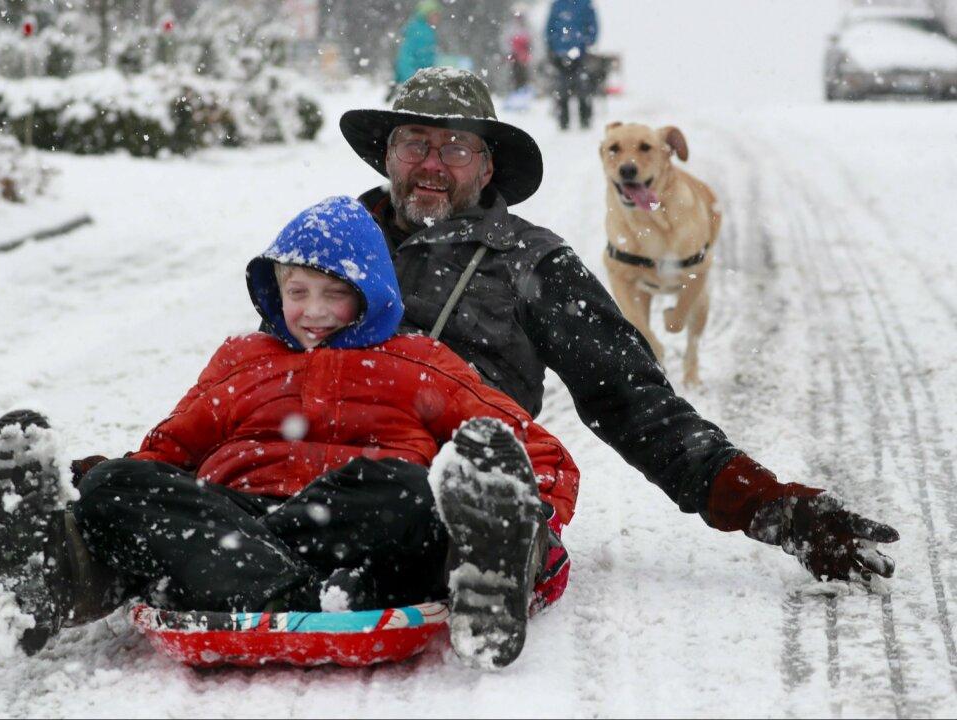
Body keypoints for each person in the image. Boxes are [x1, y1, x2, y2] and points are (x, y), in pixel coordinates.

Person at [338, 67, 900, 595]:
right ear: (387, 155)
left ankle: (496, 555)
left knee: (428, 518)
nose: (431, 164)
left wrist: (770, 506)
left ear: (487, 168)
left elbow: (635, 403)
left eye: (456, 148)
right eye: (414, 143)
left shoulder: (533, 263)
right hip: (326, 471)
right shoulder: (335, 247)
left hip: (460, 478)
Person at [0, 196, 579, 669]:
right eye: (298, 292)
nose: (313, 311)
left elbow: (536, 451)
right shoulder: (242, 359)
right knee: (120, 484)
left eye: (335, 294)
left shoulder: (419, 360)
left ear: (372, 293)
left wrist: (531, 518)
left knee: (406, 487)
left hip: (352, 526)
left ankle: (490, 560)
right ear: (275, 289)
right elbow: (169, 452)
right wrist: (96, 485)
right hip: (240, 522)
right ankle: (54, 577)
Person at [545, 0, 599, 129]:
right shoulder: (557, 5)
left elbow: (593, 26)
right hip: (560, 54)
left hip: (580, 53)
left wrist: (587, 42)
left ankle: (585, 120)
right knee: (562, 89)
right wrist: (552, 46)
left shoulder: (586, 4)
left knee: (583, 87)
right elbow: (549, 27)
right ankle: (564, 121)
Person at [393, 0, 441, 93]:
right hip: (417, 82)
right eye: (435, 14)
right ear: (426, 14)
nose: (438, 18)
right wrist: (412, 79)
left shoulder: (427, 31)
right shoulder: (419, 32)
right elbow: (405, 58)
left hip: (422, 81)